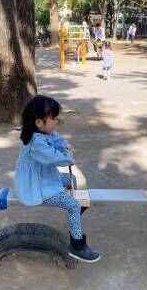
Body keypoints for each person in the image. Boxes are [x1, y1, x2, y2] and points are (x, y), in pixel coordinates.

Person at [14, 95, 100, 263]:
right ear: (39, 122)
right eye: (53, 119)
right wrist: (68, 158)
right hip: (36, 185)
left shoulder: (43, 131)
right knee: (74, 204)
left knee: (71, 180)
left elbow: (57, 139)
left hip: (44, 175)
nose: (55, 122)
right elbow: (53, 158)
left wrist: (65, 146)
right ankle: (77, 245)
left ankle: (73, 218)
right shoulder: (35, 142)